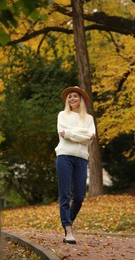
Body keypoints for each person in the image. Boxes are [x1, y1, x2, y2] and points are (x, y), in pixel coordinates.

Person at [55, 86, 96, 244]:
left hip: (81, 158)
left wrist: (71, 133)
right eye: (70, 97)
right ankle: (68, 231)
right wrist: (81, 134)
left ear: (81, 99)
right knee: (65, 195)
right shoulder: (62, 115)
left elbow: (90, 139)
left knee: (79, 197)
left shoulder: (89, 119)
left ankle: (68, 221)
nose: (72, 99)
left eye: (75, 96)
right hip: (64, 156)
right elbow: (62, 134)